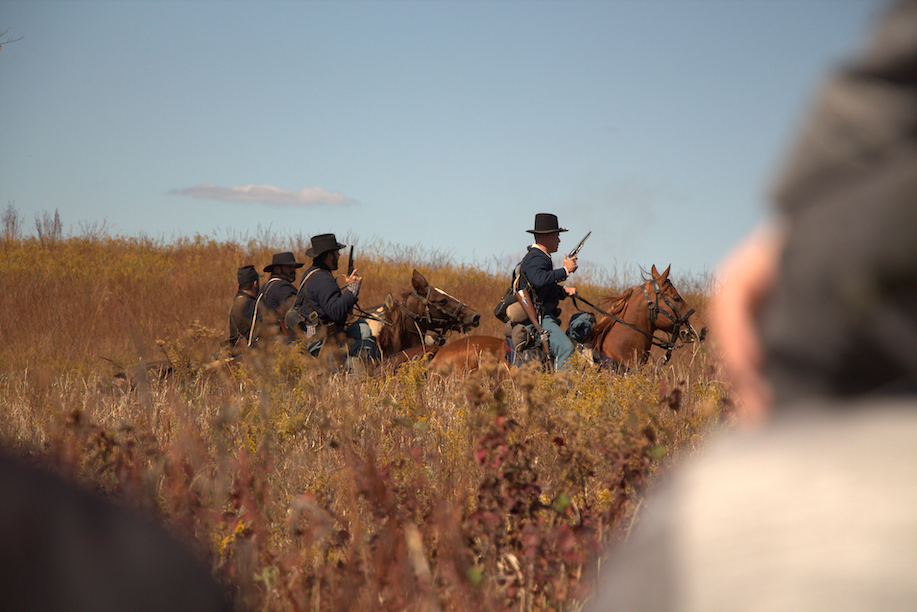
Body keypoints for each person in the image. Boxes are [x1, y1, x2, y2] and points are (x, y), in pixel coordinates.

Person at [585, 2, 917, 610]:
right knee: (560, 338)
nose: (554, 241)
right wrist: (559, 276)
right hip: (533, 307)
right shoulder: (538, 261)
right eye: (550, 237)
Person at [299, 233, 379, 362]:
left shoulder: (312, 274)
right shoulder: (323, 279)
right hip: (321, 343)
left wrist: (348, 295)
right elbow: (336, 312)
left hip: (315, 337)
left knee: (362, 327)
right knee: (367, 347)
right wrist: (352, 290)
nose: (339, 255)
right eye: (337, 252)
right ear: (330, 256)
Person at [518, 213, 578, 370]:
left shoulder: (540, 257)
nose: (559, 240)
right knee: (566, 349)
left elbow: (540, 287)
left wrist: (562, 291)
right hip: (540, 318)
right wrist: (565, 271)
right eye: (557, 236)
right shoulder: (536, 258)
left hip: (543, 316)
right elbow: (539, 279)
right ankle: (561, 386)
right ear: (549, 237)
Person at [257, 251, 304, 340]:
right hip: (281, 341)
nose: (293, 270)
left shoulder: (265, 287)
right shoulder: (282, 287)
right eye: (288, 267)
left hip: (265, 340)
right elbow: (298, 312)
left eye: (294, 267)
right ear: (277, 269)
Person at [228, 264, 262, 352]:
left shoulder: (236, 303)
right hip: (248, 352)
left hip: (236, 350)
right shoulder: (252, 305)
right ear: (255, 284)